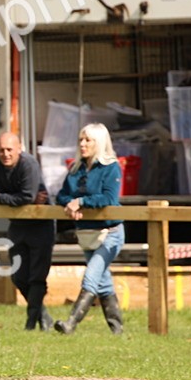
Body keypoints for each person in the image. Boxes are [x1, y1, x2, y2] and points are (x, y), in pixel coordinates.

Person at [54, 123, 125, 335]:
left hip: (110, 233)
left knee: (91, 276)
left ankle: (70, 324)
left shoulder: (111, 167)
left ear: (99, 142)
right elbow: (61, 195)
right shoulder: (75, 168)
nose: (82, 144)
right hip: (87, 233)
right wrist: (71, 204)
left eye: (88, 140)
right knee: (103, 283)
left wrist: (81, 202)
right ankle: (117, 330)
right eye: (81, 140)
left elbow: (109, 198)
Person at [0, 132, 55, 330]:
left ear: (19, 149)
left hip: (41, 224)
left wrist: (0, 197)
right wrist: (19, 198)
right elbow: (24, 196)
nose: (5, 154)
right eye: (1, 150)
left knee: (37, 277)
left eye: (9, 149)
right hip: (17, 224)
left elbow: (26, 196)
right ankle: (43, 317)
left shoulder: (29, 164)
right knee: (18, 276)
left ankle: (31, 323)